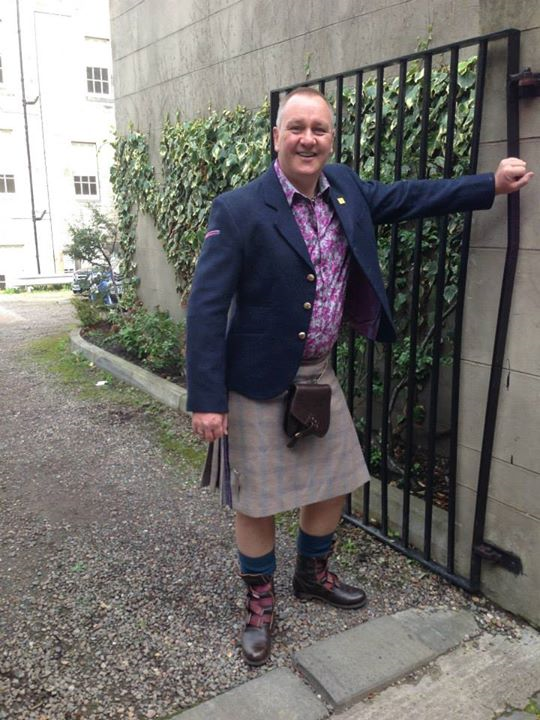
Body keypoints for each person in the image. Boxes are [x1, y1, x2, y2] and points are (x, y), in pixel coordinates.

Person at [186, 87, 533, 666]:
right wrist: (206, 398)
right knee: (258, 499)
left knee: (337, 480)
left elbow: (411, 196)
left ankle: (311, 573)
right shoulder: (239, 209)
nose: (308, 139)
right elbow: (205, 307)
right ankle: (260, 603)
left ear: (331, 139)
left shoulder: (345, 189)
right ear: (276, 137)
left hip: (318, 374)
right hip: (255, 379)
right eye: (296, 127)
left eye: (319, 129)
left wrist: (490, 185)